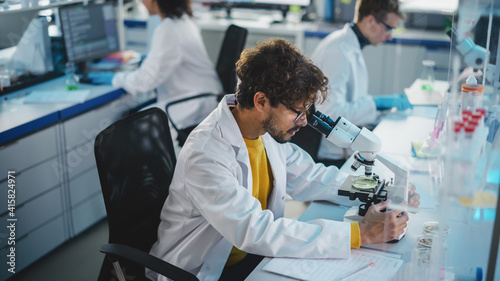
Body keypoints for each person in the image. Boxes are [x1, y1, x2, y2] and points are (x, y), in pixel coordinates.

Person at [147, 38, 418, 281]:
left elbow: (309, 176)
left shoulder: (262, 133)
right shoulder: (206, 154)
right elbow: (256, 230)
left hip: (248, 258)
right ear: (261, 101)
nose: (303, 122)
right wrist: (361, 233)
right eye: (297, 112)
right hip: (201, 271)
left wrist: (379, 189)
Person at [88, 0, 222, 140]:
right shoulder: (184, 20)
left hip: (193, 104)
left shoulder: (168, 29)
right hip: (204, 98)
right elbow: (168, 59)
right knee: (134, 118)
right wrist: (150, 59)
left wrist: (114, 78)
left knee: (131, 127)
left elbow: (145, 81)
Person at [310, 0, 413, 167]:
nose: (390, 36)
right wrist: (375, 104)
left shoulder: (349, 45)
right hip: (331, 155)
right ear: (371, 21)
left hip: (344, 144)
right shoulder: (338, 51)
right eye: (389, 28)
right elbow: (331, 114)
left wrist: (376, 107)